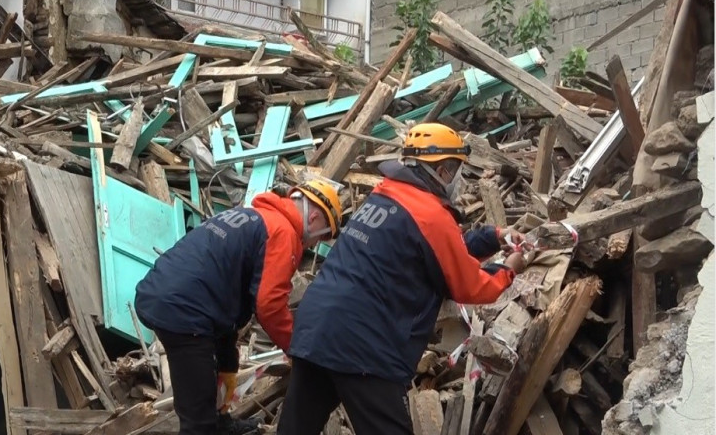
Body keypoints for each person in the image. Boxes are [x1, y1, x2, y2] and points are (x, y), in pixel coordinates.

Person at [277, 123, 530, 435]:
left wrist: (493, 237)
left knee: (296, 429)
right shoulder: (431, 215)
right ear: (445, 170)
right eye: (457, 171)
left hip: (316, 329)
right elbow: (469, 285)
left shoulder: (383, 196)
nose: (459, 181)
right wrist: (509, 269)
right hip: (363, 346)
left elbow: (436, 257)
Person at [134, 178, 343, 435]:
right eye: (322, 236)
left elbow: (238, 285)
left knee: (227, 358)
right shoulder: (284, 233)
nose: (313, 246)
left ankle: (222, 422)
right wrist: (296, 348)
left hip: (168, 293)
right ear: (314, 219)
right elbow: (270, 304)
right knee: (198, 419)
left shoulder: (253, 215)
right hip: (184, 312)